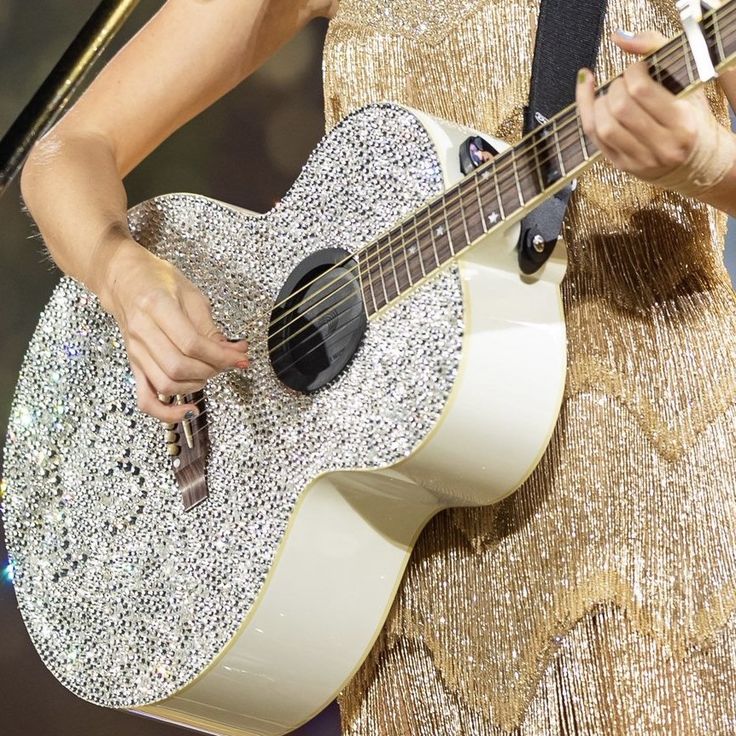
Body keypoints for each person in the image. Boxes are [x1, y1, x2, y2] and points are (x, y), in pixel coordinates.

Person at [19, 0, 736, 733]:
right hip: (403, 537)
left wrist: (710, 163)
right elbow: (69, 152)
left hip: (645, 496)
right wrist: (125, 277)